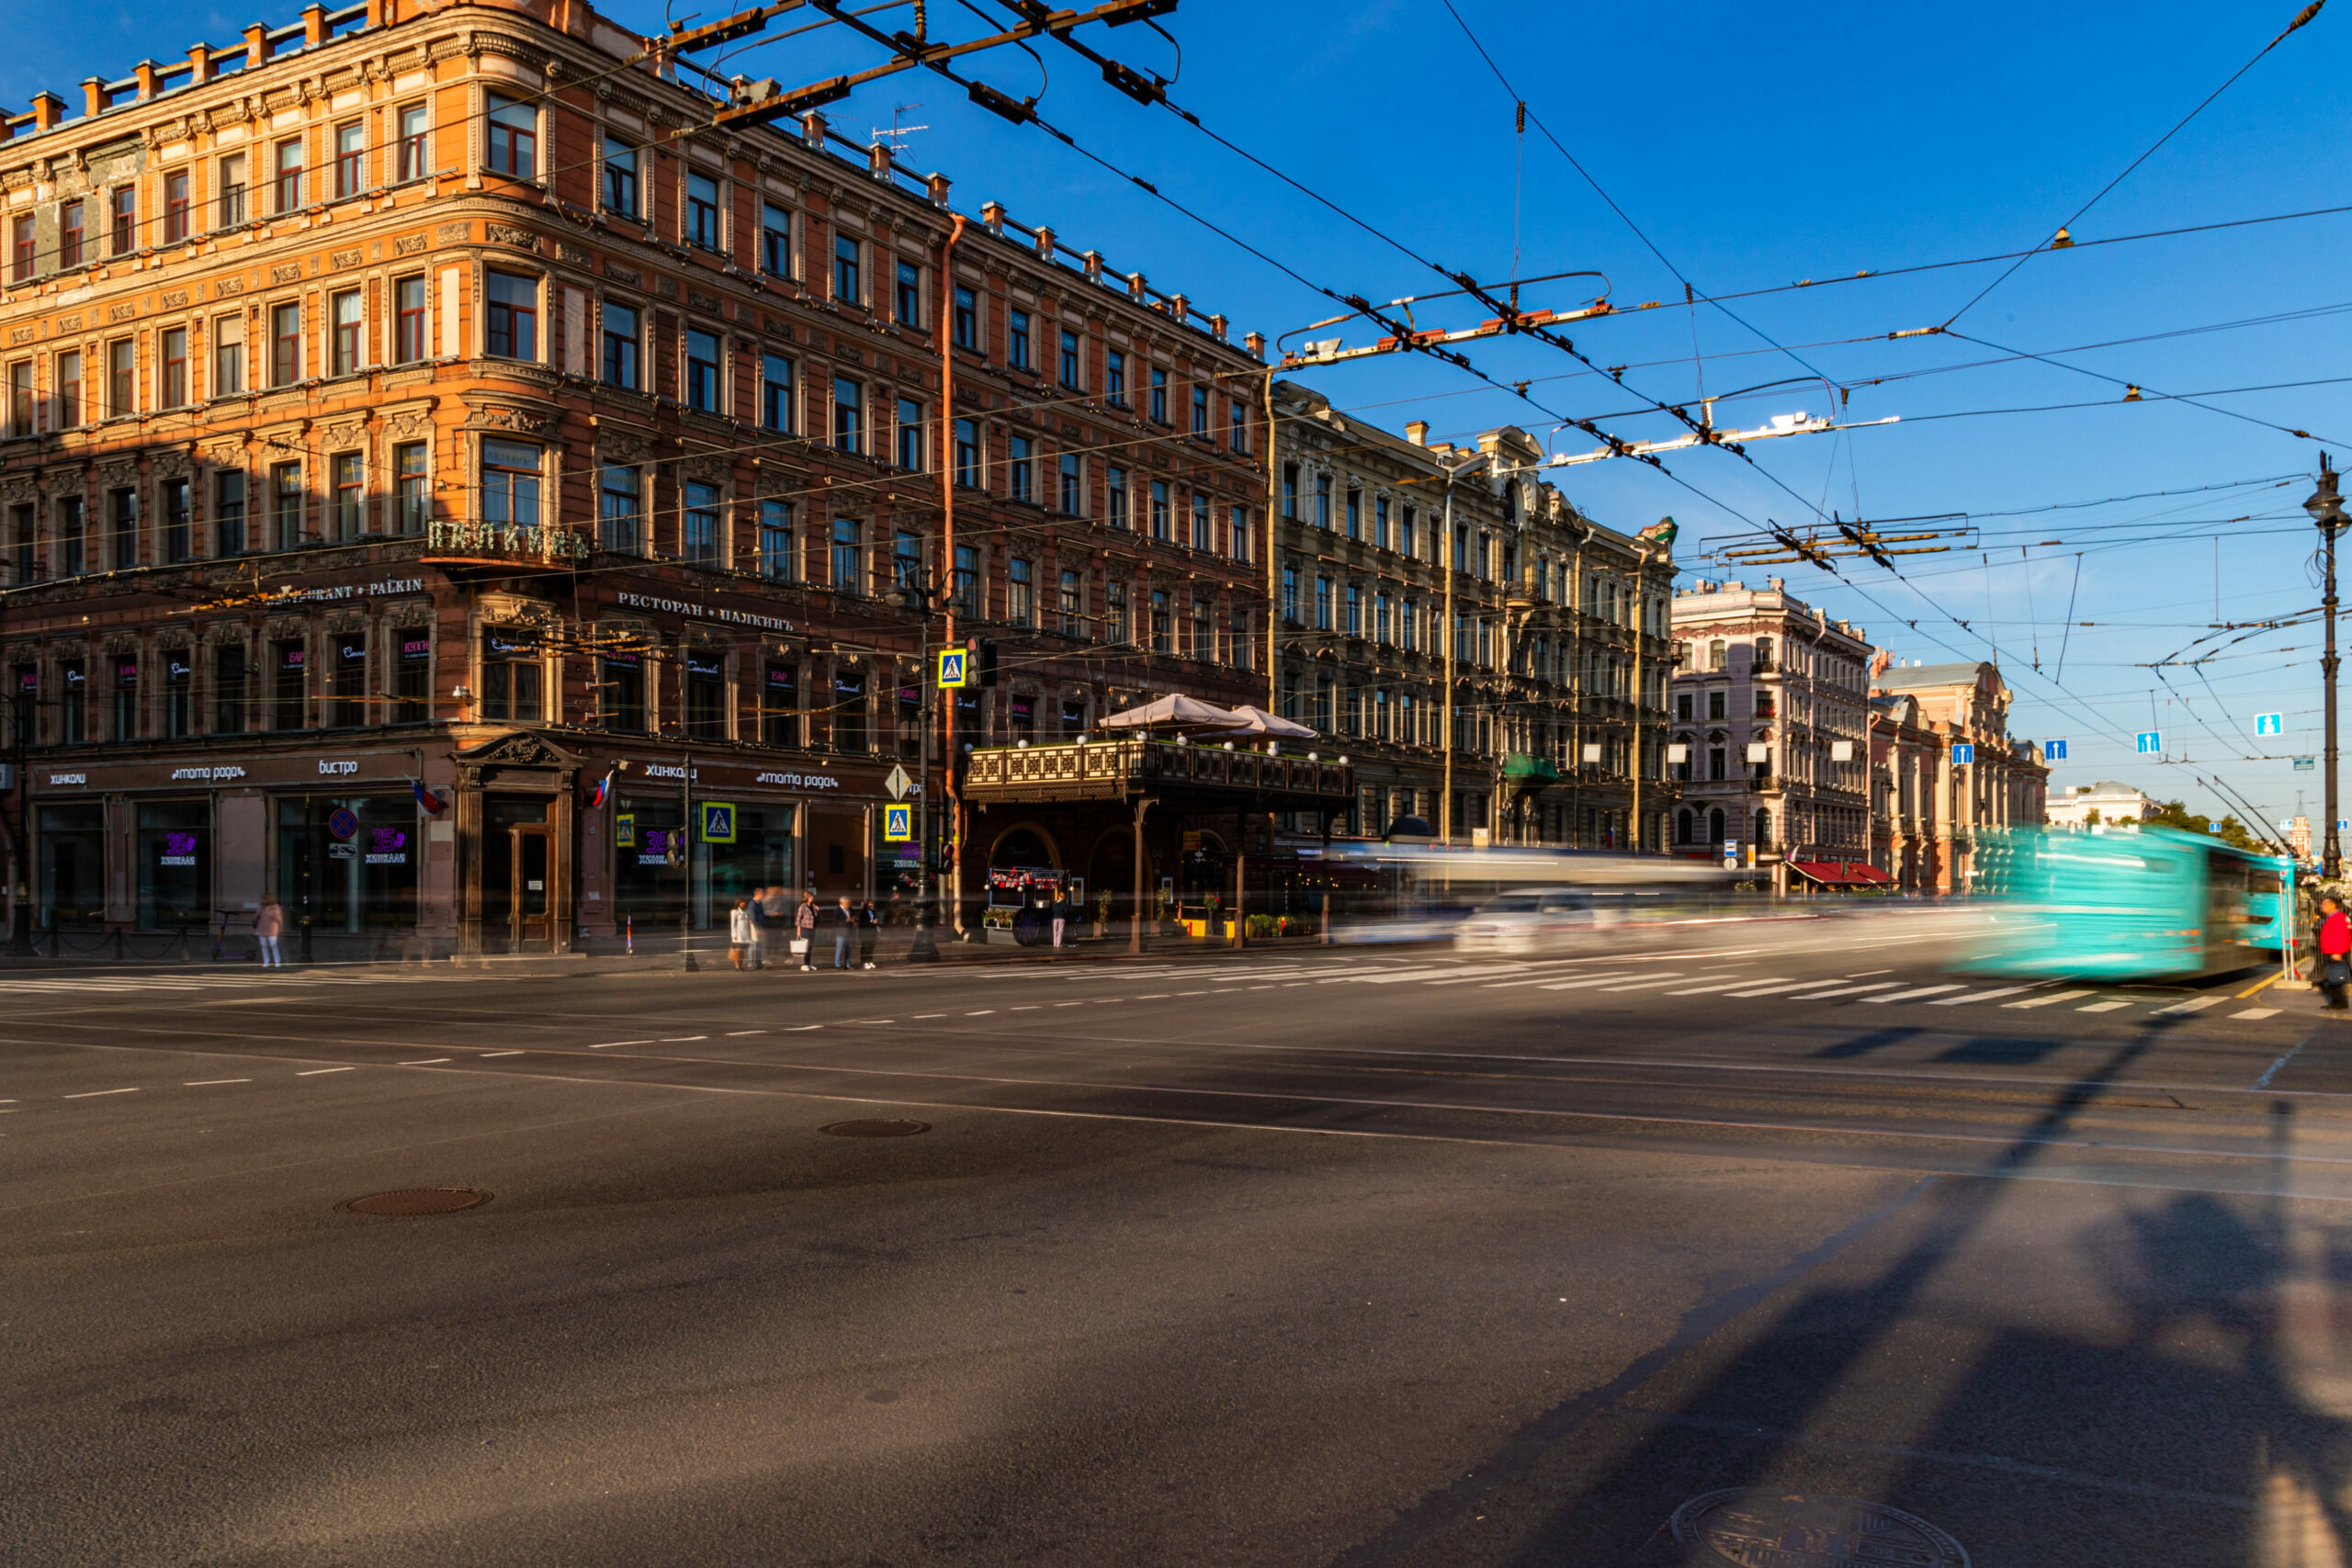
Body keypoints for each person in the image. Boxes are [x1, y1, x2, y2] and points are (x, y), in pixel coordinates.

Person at [2319, 895, 2351, 1013]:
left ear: (2333, 905)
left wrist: (2337, 952)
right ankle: (2337, 1002)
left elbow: (2342, 936)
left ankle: (2340, 1003)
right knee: (2334, 979)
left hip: (2335, 952)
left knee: (2335, 980)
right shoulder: (2334, 917)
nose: (2322, 906)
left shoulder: (2338, 918)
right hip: (2331, 951)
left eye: (2324, 904)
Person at [254, 897, 284, 968]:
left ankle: (277, 962)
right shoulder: (262, 908)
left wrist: (280, 929)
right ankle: (266, 962)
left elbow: (278, 918)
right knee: (264, 946)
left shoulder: (275, 908)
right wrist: (260, 909)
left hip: (272, 929)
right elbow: (256, 916)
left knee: (273, 945)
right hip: (262, 929)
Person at [745, 885, 769, 970]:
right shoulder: (752, 904)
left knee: (759, 945)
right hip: (755, 927)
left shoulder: (759, 903)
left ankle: (758, 963)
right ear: (758, 894)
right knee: (753, 945)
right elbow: (753, 917)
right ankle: (751, 963)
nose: (764, 895)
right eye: (762, 894)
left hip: (760, 926)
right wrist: (757, 928)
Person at [795, 890, 818, 971]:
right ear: (807, 897)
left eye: (813, 896)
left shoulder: (813, 906)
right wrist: (798, 932)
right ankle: (803, 964)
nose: (813, 898)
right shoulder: (802, 906)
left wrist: (817, 910)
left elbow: (816, 918)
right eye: (811, 896)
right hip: (805, 929)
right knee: (805, 947)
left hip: (812, 928)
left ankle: (808, 963)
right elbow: (798, 920)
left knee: (810, 947)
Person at [727, 898, 752, 971]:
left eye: (744, 902)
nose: (743, 903)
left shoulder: (746, 911)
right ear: (738, 903)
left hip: (745, 933)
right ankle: (737, 966)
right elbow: (733, 924)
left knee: (743, 950)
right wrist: (734, 935)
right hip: (738, 934)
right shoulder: (734, 911)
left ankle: (740, 964)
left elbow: (748, 923)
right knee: (737, 950)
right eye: (742, 902)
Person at [834, 895, 855, 970]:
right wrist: (845, 922)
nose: (848, 905)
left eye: (849, 903)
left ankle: (847, 963)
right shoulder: (838, 910)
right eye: (847, 903)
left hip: (849, 932)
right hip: (841, 933)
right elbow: (836, 922)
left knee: (848, 949)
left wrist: (853, 921)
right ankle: (838, 964)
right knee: (839, 949)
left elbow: (853, 917)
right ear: (842, 903)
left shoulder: (851, 909)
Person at [857, 898, 880, 969]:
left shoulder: (873, 911)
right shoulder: (863, 912)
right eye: (870, 903)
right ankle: (864, 962)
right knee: (865, 948)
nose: (871, 904)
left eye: (872, 903)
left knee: (871, 947)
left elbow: (876, 921)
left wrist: (876, 922)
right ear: (866, 904)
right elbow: (862, 923)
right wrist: (872, 923)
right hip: (865, 933)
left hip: (873, 932)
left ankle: (870, 961)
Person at [1049, 885, 1069, 951]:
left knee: (1055, 931)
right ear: (1063, 897)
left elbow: (1053, 910)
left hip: (1055, 918)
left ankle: (1054, 943)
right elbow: (1066, 911)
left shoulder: (1055, 903)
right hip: (1061, 918)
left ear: (1058, 896)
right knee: (1060, 931)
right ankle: (1058, 944)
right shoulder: (1064, 903)